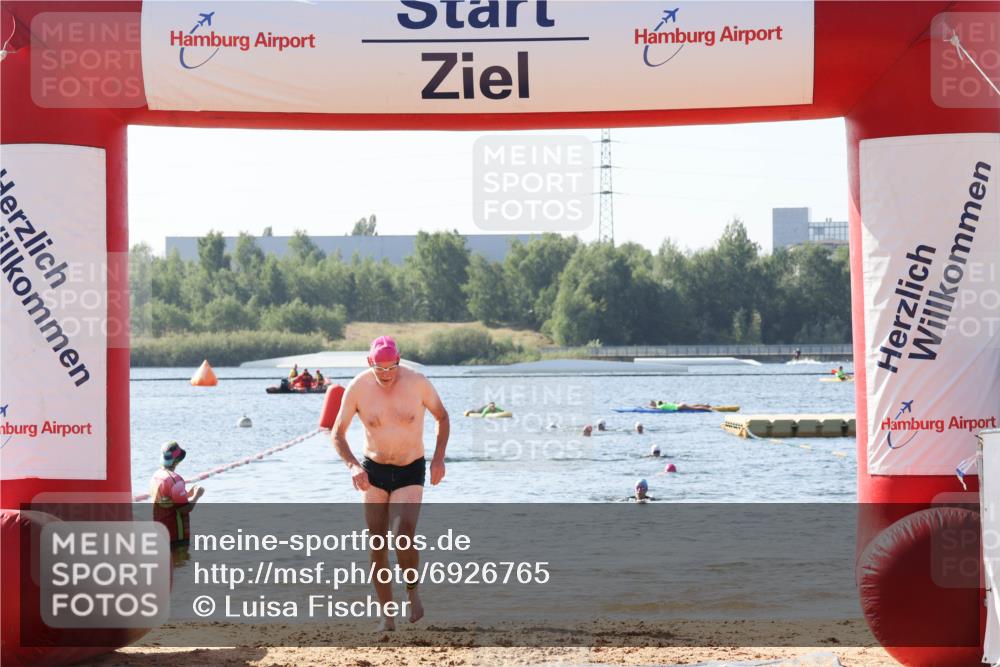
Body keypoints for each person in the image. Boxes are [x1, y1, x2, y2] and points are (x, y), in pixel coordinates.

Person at [331, 335, 449, 630]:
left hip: (410, 468)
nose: (386, 375)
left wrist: (438, 459)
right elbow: (337, 433)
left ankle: (412, 592)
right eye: (379, 368)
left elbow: (442, 417)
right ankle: (387, 616)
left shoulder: (417, 382)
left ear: (399, 360)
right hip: (373, 470)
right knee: (377, 545)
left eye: (391, 367)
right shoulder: (358, 387)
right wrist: (352, 467)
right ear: (369, 362)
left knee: (403, 535)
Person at [149, 441, 204, 559]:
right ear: (177, 461)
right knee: (180, 563)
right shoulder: (175, 480)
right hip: (175, 533)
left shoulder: (156, 475)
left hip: (160, 530)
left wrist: (188, 494)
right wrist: (197, 496)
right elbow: (185, 509)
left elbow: (166, 499)